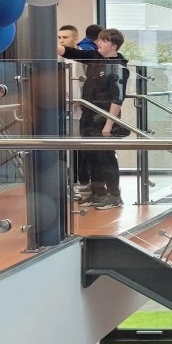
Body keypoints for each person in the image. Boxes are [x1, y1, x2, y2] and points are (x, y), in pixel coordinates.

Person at [58, 28, 130, 210]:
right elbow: (69, 52)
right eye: (99, 40)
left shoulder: (119, 65)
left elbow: (118, 97)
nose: (99, 43)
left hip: (103, 118)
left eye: (104, 41)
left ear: (114, 46)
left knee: (106, 157)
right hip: (88, 116)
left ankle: (114, 196)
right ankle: (98, 193)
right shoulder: (94, 57)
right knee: (91, 156)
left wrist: (108, 124)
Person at [59, 25, 90, 193]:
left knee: (79, 147)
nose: (62, 41)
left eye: (65, 37)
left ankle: (81, 181)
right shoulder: (58, 60)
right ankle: (67, 180)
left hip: (79, 110)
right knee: (64, 146)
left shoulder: (82, 60)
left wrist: (81, 102)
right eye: (59, 38)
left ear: (75, 39)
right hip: (61, 110)